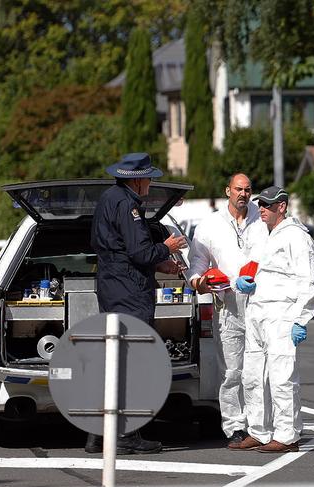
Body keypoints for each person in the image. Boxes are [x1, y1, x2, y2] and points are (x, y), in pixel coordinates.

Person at [88, 152, 188, 455]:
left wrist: (162, 265)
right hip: (129, 293)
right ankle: (127, 435)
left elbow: (125, 252)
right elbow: (140, 252)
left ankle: (97, 433)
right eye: (149, 178)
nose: (150, 183)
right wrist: (166, 247)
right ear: (138, 180)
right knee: (131, 365)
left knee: (114, 363)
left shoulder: (109, 198)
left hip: (115, 286)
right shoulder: (127, 204)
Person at [230, 186, 314, 453]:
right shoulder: (264, 234)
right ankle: (258, 430)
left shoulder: (297, 238)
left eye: (268, 205)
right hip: (257, 311)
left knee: (282, 377)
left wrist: (300, 319)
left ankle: (287, 435)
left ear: (283, 206)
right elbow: (258, 269)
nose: (263, 209)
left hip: (282, 314)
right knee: (253, 375)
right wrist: (242, 282)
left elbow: (309, 281)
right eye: (261, 205)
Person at [187, 173, 268, 447]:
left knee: (261, 367)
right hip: (229, 302)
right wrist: (199, 282)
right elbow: (197, 265)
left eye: (247, 190)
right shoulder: (210, 226)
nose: (243, 194)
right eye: (238, 189)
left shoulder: (263, 219)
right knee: (232, 370)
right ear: (227, 191)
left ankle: (262, 424)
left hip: (262, 301)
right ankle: (235, 426)